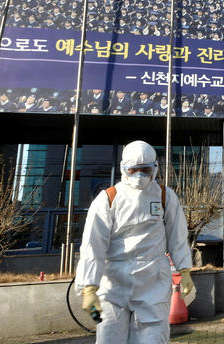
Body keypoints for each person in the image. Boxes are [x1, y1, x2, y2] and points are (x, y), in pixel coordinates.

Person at [75, 140, 194, 343]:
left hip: (153, 282)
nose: (139, 176)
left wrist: (184, 271)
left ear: (155, 168)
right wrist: (89, 287)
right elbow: (93, 245)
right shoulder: (108, 198)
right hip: (113, 284)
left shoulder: (165, 197)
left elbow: (178, 236)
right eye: (133, 170)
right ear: (123, 169)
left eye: (145, 170)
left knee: (153, 337)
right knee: (109, 337)